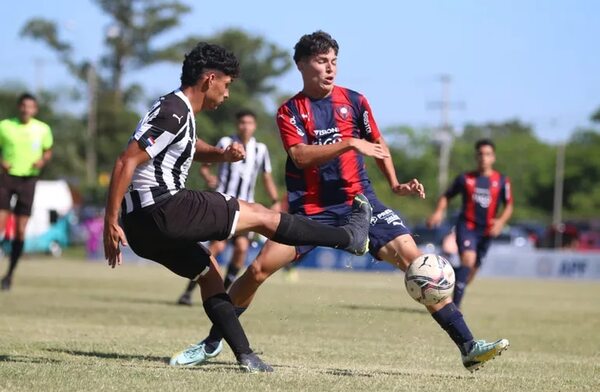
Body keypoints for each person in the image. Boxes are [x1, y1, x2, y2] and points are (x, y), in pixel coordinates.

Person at [170, 31, 509, 372]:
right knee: (257, 270)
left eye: (334, 62)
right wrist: (349, 143)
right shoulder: (290, 111)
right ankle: (212, 343)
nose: (330, 69)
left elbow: (377, 142)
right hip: (311, 211)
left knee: (420, 267)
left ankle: (468, 345)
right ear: (302, 65)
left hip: (361, 203)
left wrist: (395, 183)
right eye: (321, 62)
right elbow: (301, 157)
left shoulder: (355, 101)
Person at [103, 42, 372, 373]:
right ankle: (348, 237)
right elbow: (125, 161)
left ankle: (245, 356)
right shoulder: (173, 110)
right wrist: (108, 221)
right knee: (260, 215)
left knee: (210, 273)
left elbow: (183, 145)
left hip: (143, 230)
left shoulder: (175, 109)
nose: (227, 94)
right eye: (226, 85)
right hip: (163, 207)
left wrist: (219, 154)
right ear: (209, 80)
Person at [177, 109, 280, 306]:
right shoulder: (225, 142)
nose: (245, 126)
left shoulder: (260, 149)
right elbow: (205, 165)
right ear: (237, 125)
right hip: (223, 206)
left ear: (254, 126)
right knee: (216, 247)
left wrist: (275, 199)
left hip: (246, 209)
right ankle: (188, 292)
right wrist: (209, 178)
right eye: (242, 122)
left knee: (241, 249)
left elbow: (266, 176)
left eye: (249, 123)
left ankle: (222, 295)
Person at [428, 138, 513, 308]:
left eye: (487, 154)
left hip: (487, 231)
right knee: (468, 260)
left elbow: (509, 205)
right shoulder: (465, 179)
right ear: (476, 157)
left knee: (470, 274)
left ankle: (446, 275)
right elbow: (447, 196)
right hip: (467, 226)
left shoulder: (502, 181)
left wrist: (501, 221)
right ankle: (454, 308)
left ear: (493, 157)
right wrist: (438, 211)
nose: (484, 157)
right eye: (480, 154)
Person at [0, 93, 53, 291]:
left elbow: (48, 150)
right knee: (1, 225)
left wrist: (43, 160)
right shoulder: (5, 126)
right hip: (6, 177)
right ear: (18, 107)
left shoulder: (42, 129)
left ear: (35, 109)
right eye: (23, 105)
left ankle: (9, 274)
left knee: (21, 230)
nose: (26, 109)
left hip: (28, 180)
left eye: (30, 106)